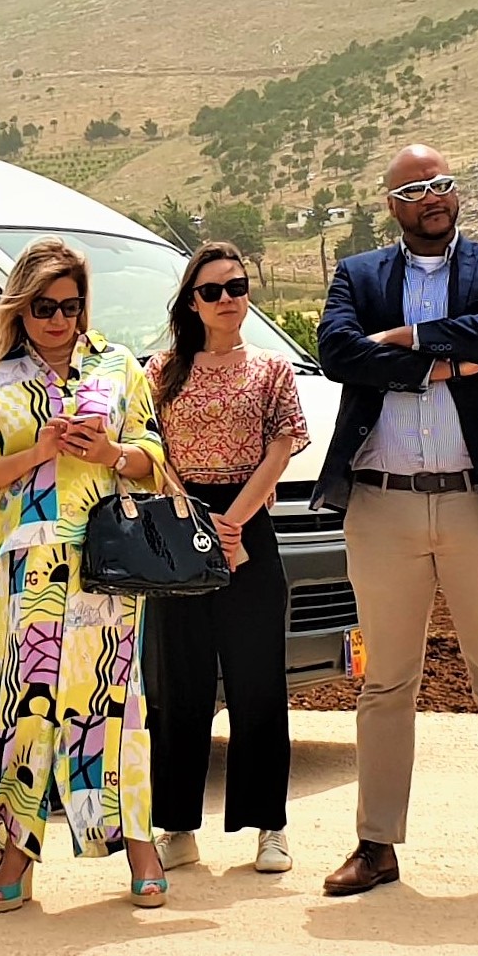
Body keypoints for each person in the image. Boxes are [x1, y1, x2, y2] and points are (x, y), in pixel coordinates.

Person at [313, 145, 478, 899]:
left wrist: (403, 340)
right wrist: (444, 362)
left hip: (474, 501)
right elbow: (334, 352)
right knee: (386, 680)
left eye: (443, 184)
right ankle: (376, 843)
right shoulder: (358, 275)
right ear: (392, 203)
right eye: (417, 188)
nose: (434, 197)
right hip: (381, 503)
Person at [0, 238, 172, 910]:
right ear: (21, 308)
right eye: (44, 306)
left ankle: (140, 844)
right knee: (28, 706)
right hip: (30, 561)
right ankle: (15, 854)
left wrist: (112, 451)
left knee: (113, 702)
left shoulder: (119, 365)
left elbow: (154, 456)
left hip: (107, 558)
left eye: (70, 306)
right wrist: (37, 451)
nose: (57, 319)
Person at [145, 246, 311, 874]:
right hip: (180, 523)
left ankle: (269, 826)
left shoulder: (272, 369)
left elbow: (282, 446)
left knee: (257, 683)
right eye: (212, 291)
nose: (227, 299)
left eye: (236, 286)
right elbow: (150, 448)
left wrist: (235, 522)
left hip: (249, 523)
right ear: (192, 302)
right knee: (178, 685)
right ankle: (178, 827)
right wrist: (192, 515)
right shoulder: (162, 370)